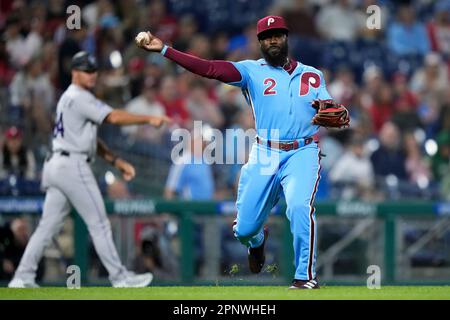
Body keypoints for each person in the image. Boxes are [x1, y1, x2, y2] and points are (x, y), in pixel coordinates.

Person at [136, 15, 349, 289]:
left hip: (302, 152)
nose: (273, 40)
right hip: (265, 152)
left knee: (299, 207)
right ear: (259, 42)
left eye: (277, 35)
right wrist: (165, 50)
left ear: (286, 38)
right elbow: (210, 69)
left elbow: (331, 111)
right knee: (244, 229)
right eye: (267, 36)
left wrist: (338, 115)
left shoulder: (313, 74)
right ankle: (258, 242)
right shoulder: (251, 71)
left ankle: (304, 278)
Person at [8, 51, 171, 288]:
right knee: (99, 223)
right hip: (72, 166)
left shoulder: (68, 98)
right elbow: (113, 117)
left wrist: (116, 161)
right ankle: (120, 277)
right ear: (74, 73)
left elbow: (89, 138)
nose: (91, 74)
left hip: (57, 164)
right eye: (86, 70)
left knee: (47, 226)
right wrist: (148, 119)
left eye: (94, 70)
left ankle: (22, 276)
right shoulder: (80, 96)